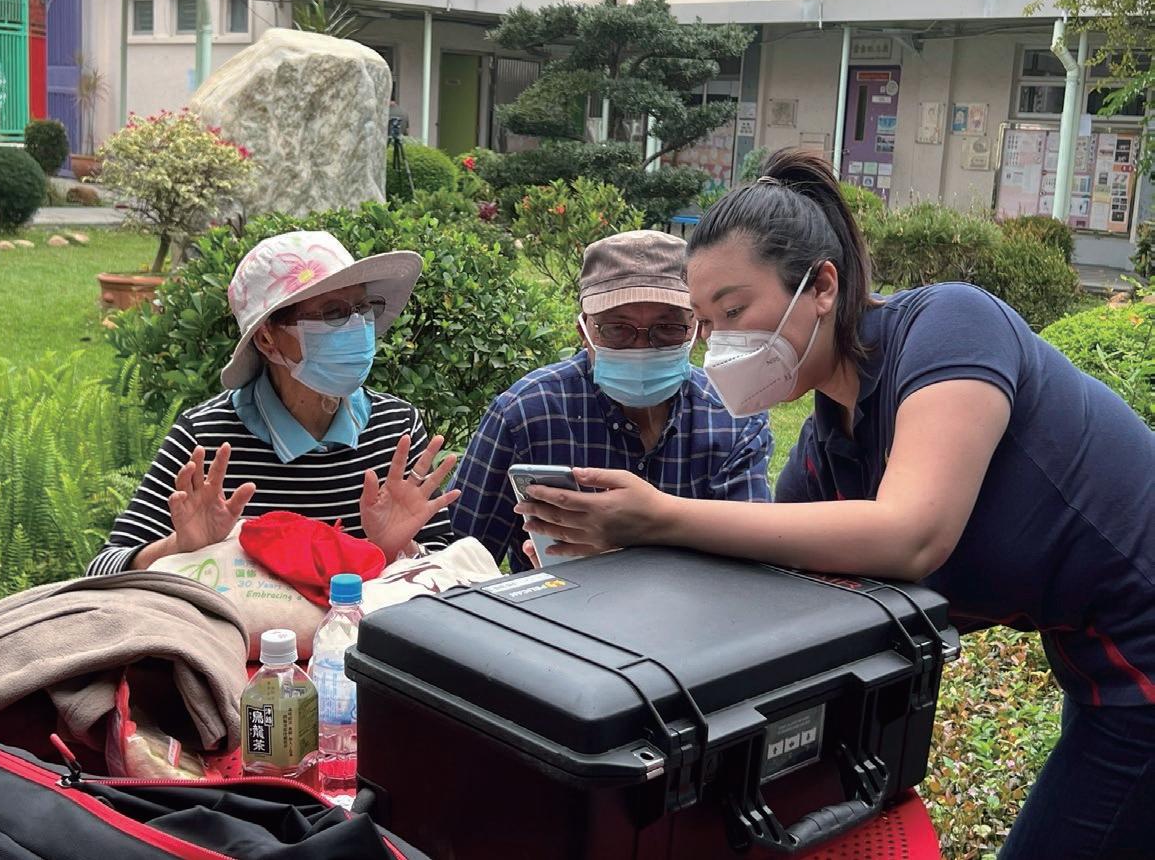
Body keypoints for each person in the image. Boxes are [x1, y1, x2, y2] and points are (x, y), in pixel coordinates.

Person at [513, 149, 1154, 859]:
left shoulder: (951, 327)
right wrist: (614, 566)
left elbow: (912, 534)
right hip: (1097, 661)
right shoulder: (827, 448)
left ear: (821, 285)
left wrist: (660, 516)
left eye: (734, 310)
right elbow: (768, 601)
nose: (718, 345)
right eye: (706, 323)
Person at [89, 230, 459, 576]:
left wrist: (398, 549)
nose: (357, 325)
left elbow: (447, 567)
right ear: (267, 339)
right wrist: (180, 547)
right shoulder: (206, 438)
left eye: (363, 308)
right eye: (333, 312)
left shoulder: (397, 428)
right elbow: (102, 569)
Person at [448, 229, 772, 571]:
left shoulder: (733, 417)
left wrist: (630, 550)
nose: (642, 347)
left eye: (668, 327)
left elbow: (754, 563)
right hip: (559, 604)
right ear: (584, 331)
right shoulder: (525, 414)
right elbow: (458, 560)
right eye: (617, 328)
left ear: (695, 328)